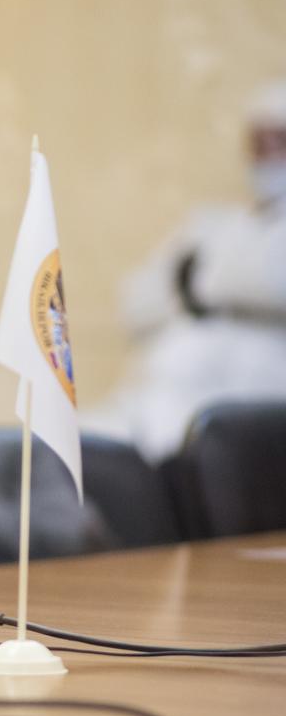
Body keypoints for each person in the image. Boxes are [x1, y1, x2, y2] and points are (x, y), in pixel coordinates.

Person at [85, 79, 286, 463]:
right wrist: (211, 285)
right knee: (68, 446)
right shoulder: (215, 225)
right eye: (259, 143)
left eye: (280, 142)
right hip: (157, 399)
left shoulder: (211, 240)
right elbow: (135, 304)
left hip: (242, 420)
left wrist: (192, 281)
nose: (268, 155)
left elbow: (271, 281)